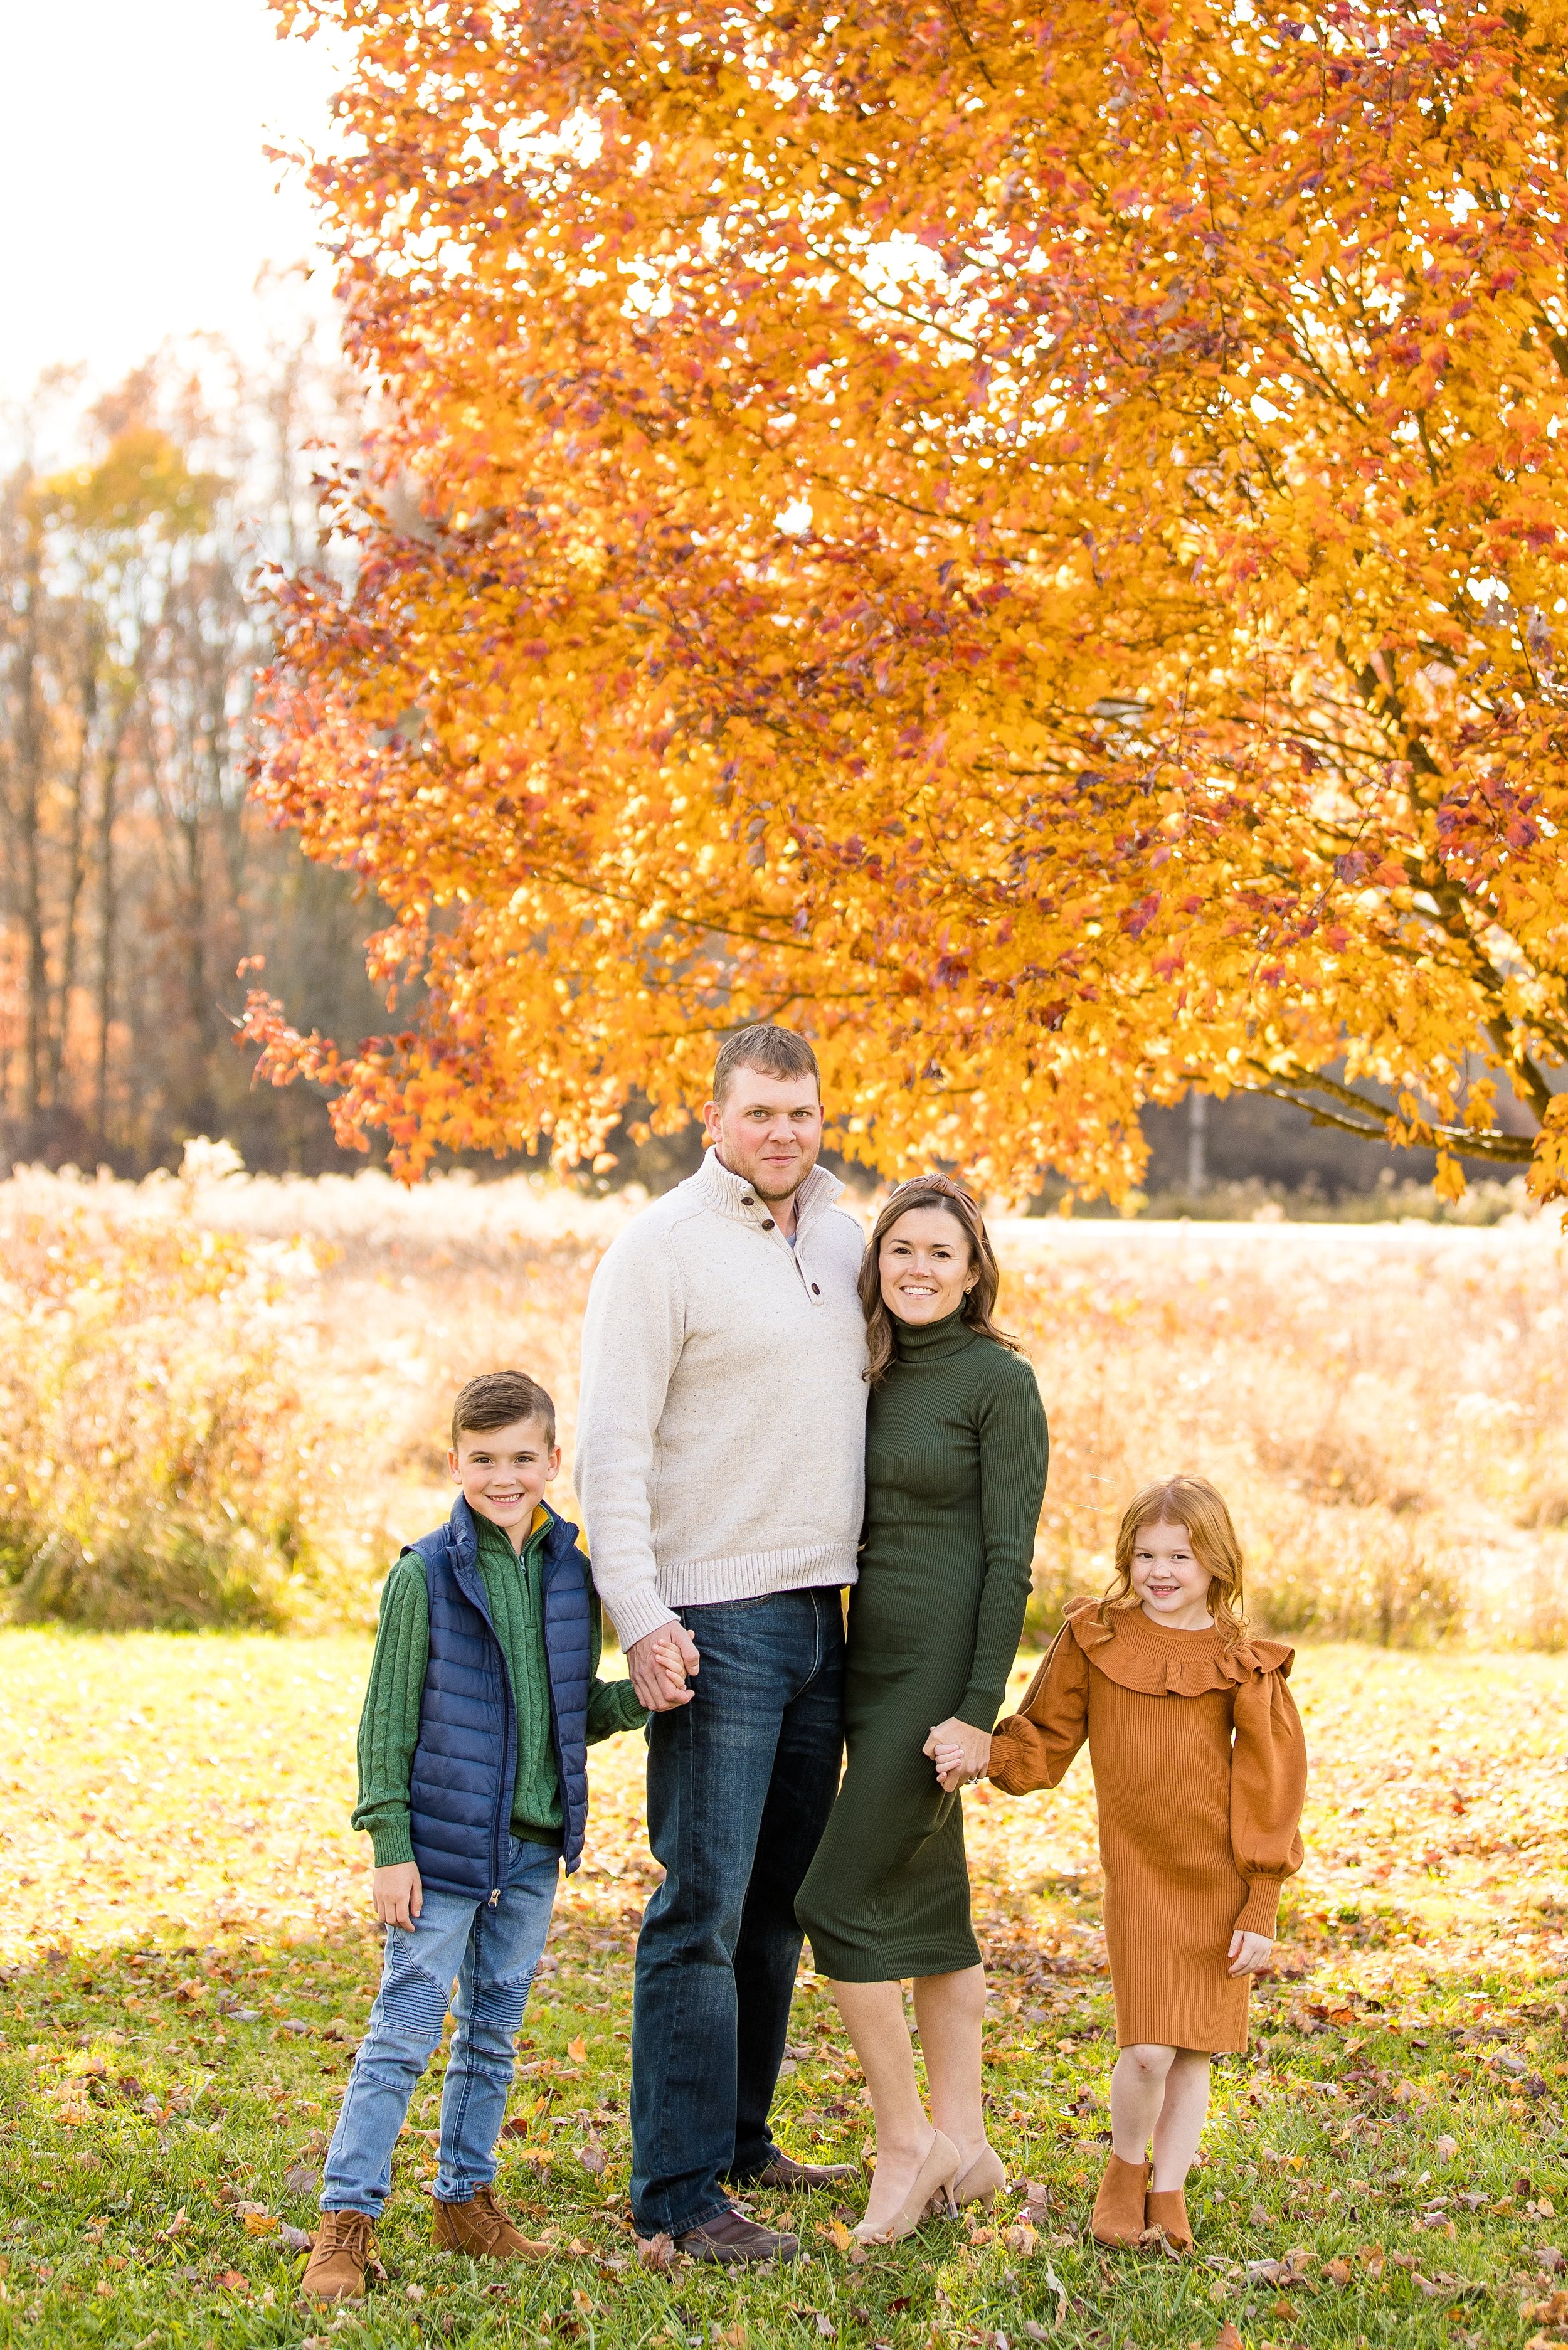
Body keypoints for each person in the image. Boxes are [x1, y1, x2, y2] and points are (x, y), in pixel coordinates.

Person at [574, 1024, 869, 2265]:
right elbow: (609, 1451)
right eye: (759, 1114)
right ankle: (677, 2194)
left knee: (775, 1905)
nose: (782, 1134)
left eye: (800, 1113)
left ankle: (742, 2139)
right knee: (697, 1904)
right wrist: (639, 1615)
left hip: (821, 1615)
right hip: (714, 1621)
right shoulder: (658, 1251)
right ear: (712, 1121)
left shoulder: (848, 1234)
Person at [301, 1371, 646, 2303]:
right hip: (443, 1852)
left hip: (532, 1848)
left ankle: (465, 2199)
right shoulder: (426, 1571)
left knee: (493, 2031)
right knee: (402, 2034)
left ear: (552, 1460)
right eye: (484, 1459)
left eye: (523, 1458)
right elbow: (385, 1722)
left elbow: (568, 1708)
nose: (504, 1475)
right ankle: (345, 2219)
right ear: (456, 1461)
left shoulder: (573, 1571)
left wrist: (641, 1696)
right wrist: (389, 1843)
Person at [795, 1176, 1049, 2244]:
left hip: (940, 1683)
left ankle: (908, 2140)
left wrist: (978, 1712)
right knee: (936, 1919)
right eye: (901, 1249)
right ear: (878, 1261)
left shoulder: (1000, 1381)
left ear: (974, 1269)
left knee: (834, 1903)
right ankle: (972, 2144)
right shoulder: (871, 1369)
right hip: (868, 1663)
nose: (918, 1268)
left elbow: (1009, 1563)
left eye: (941, 1252)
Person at [988, 1475, 1307, 2254]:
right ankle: (1122, 2175)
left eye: (1180, 1557)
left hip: (1217, 1875)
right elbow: (1047, 1735)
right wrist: (985, 1754)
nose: (1159, 1572)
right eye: (1145, 1554)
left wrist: (1260, 1897)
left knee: (1191, 2051)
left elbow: (1271, 1783)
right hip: (1140, 1873)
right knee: (1147, 2051)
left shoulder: (1241, 1661)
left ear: (1217, 1564)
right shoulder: (1096, 1635)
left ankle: (1169, 2193)